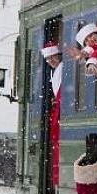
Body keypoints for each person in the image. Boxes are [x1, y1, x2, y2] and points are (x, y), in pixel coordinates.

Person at [40, 42, 62, 186]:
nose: (50, 61)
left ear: (58, 55)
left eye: (52, 57)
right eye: (47, 59)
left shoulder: (63, 68)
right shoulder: (55, 71)